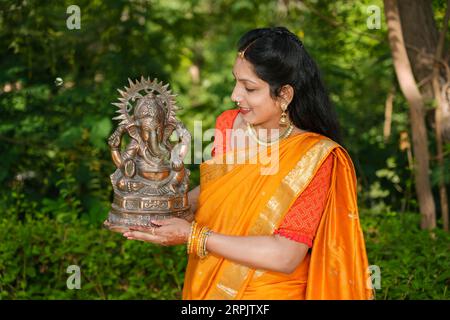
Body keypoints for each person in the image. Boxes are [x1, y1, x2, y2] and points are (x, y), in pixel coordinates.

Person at [122, 27, 373, 300]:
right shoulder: (228, 125)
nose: (234, 95)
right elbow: (213, 193)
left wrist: (194, 236)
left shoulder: (315, 157)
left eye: (249, 88)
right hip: (208, 282)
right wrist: (164, 209)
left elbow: (285, 255)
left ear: (285, 95)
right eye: (235, 81)